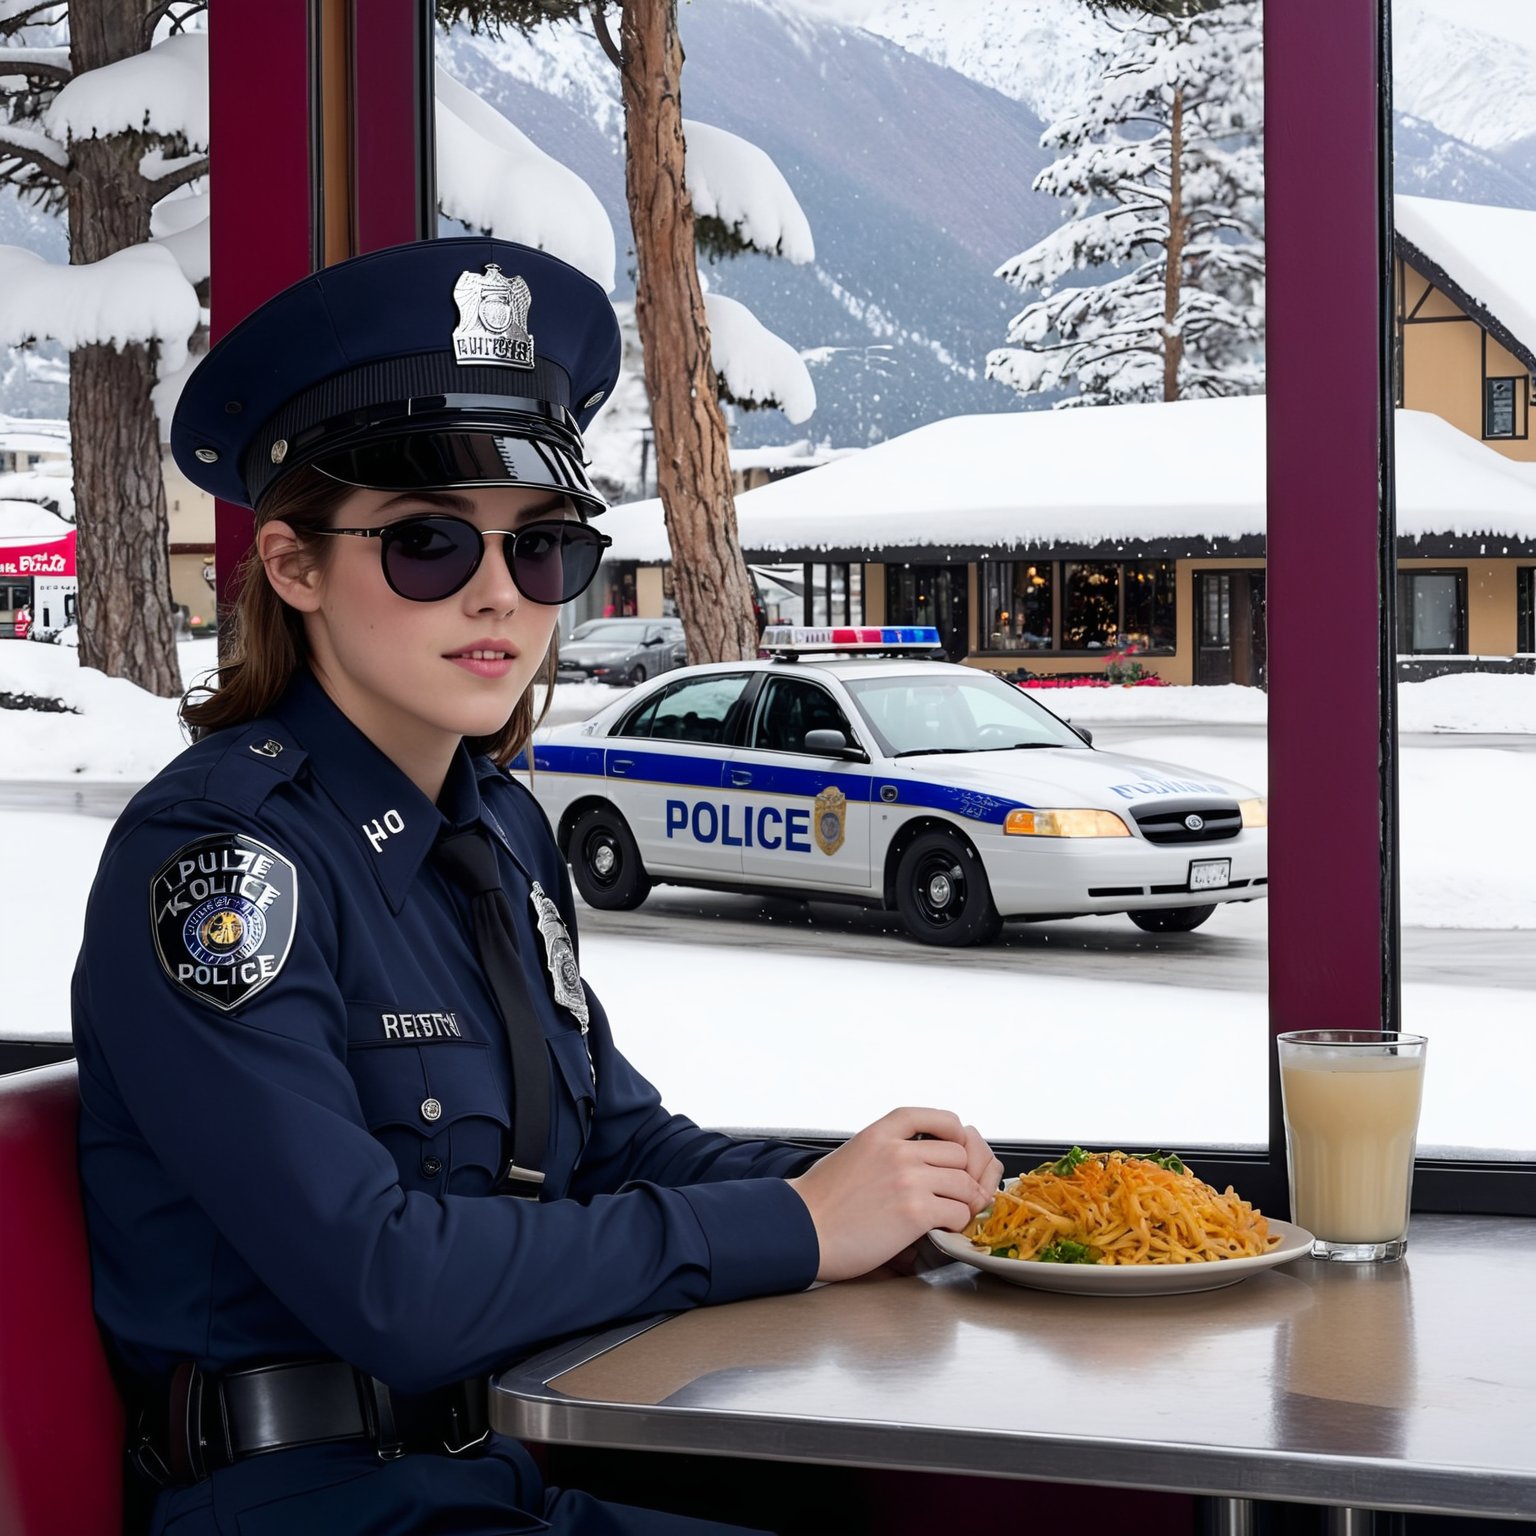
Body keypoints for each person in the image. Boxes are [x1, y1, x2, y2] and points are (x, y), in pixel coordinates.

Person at [72, 238, 1002, 1536]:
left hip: (509, 1466)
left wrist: (886, 1184)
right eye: (430, 546)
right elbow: (388, 1281)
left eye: (544, 547)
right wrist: (796, 1224)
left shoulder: (498, 835)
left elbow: (618, 1146)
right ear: (294, 568)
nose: (501, 596)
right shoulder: (225, 865)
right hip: (312, 1505)